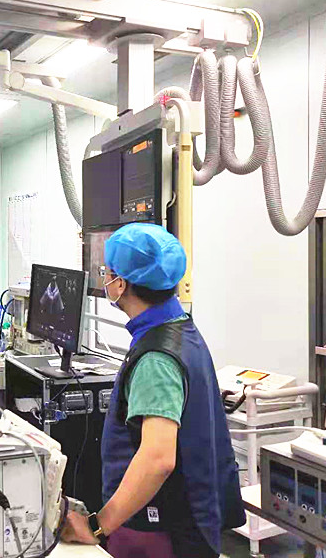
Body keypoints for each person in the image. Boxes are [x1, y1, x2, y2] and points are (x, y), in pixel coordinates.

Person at [62, 223, 245, 558]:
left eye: (107, 273)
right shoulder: (178, 329)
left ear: (121, 284)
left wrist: (97, 526)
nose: (106, 279)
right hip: (182, 518)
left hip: (161, 531)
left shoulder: (156, 359)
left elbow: (158, 459)